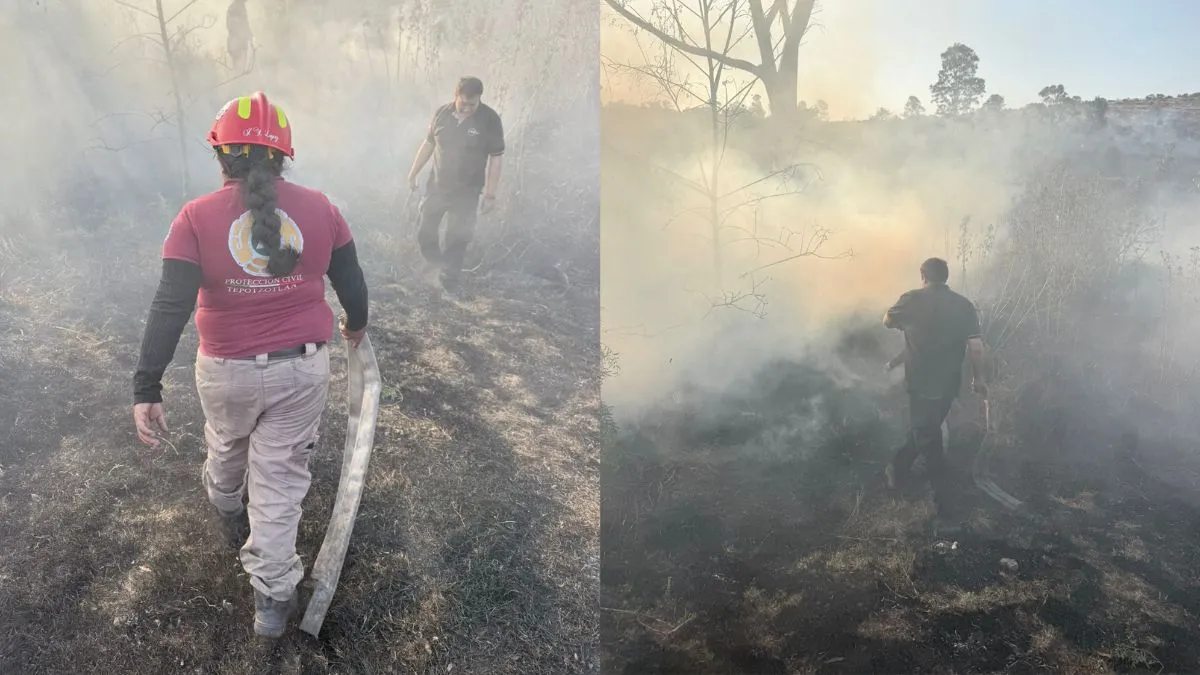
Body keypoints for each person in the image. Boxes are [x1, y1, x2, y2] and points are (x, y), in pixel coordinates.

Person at [131, 91, 369, 643]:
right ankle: (270, 604)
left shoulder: (194, 218)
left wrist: (146, 384)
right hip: (302, 371)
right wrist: (355, 326)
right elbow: (352, 284)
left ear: (222, 157)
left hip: (226, 371)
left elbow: (170, 305)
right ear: (284, 156)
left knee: (227, 440)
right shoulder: (324, 209)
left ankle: (223, 501)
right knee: (280, 482)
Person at [883, 257, 986, 534]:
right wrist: (978, 378)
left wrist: (903, 323)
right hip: (948, 385)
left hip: (920, 384)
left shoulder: (911, 299)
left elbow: (887, 320)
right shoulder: (964, 305)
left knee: (929, 440)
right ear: (946, 276)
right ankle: (898, 468)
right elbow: (975, 347)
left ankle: (946, 507)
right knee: (925, 429)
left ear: (923, 275)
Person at [406, 76, 505, 290]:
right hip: (437, 186)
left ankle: (449, 280)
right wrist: (413, 173)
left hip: (467, 192)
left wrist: (490, 195)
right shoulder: (442, 114)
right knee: (425, 230)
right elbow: (429, 143)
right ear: (455, 96)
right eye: (464, 103)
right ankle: (434, 264)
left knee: (457, 236)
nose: (468, 108)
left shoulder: (490, 120)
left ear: (479, 99)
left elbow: (496, 158)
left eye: (473, 104)